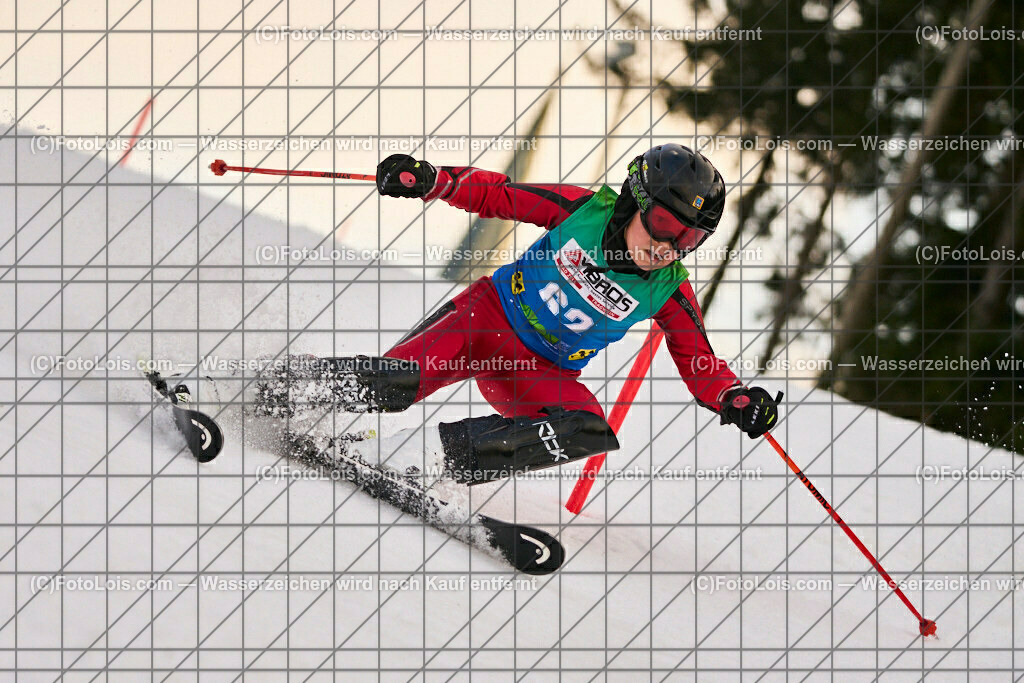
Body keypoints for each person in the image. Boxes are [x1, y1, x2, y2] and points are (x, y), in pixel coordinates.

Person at [261, 144, 781, 485]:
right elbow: (500, 195)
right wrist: (433, 180)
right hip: (481, 322)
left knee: (587, 428)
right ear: (633, 203)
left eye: (691, 238)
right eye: (667, 223)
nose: (671, 245)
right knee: (396, 383)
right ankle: (273, 387)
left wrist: (735, 397)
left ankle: (424, 459)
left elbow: (699, 362)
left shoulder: (670, 290)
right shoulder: (584, 210)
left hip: (537, 374)